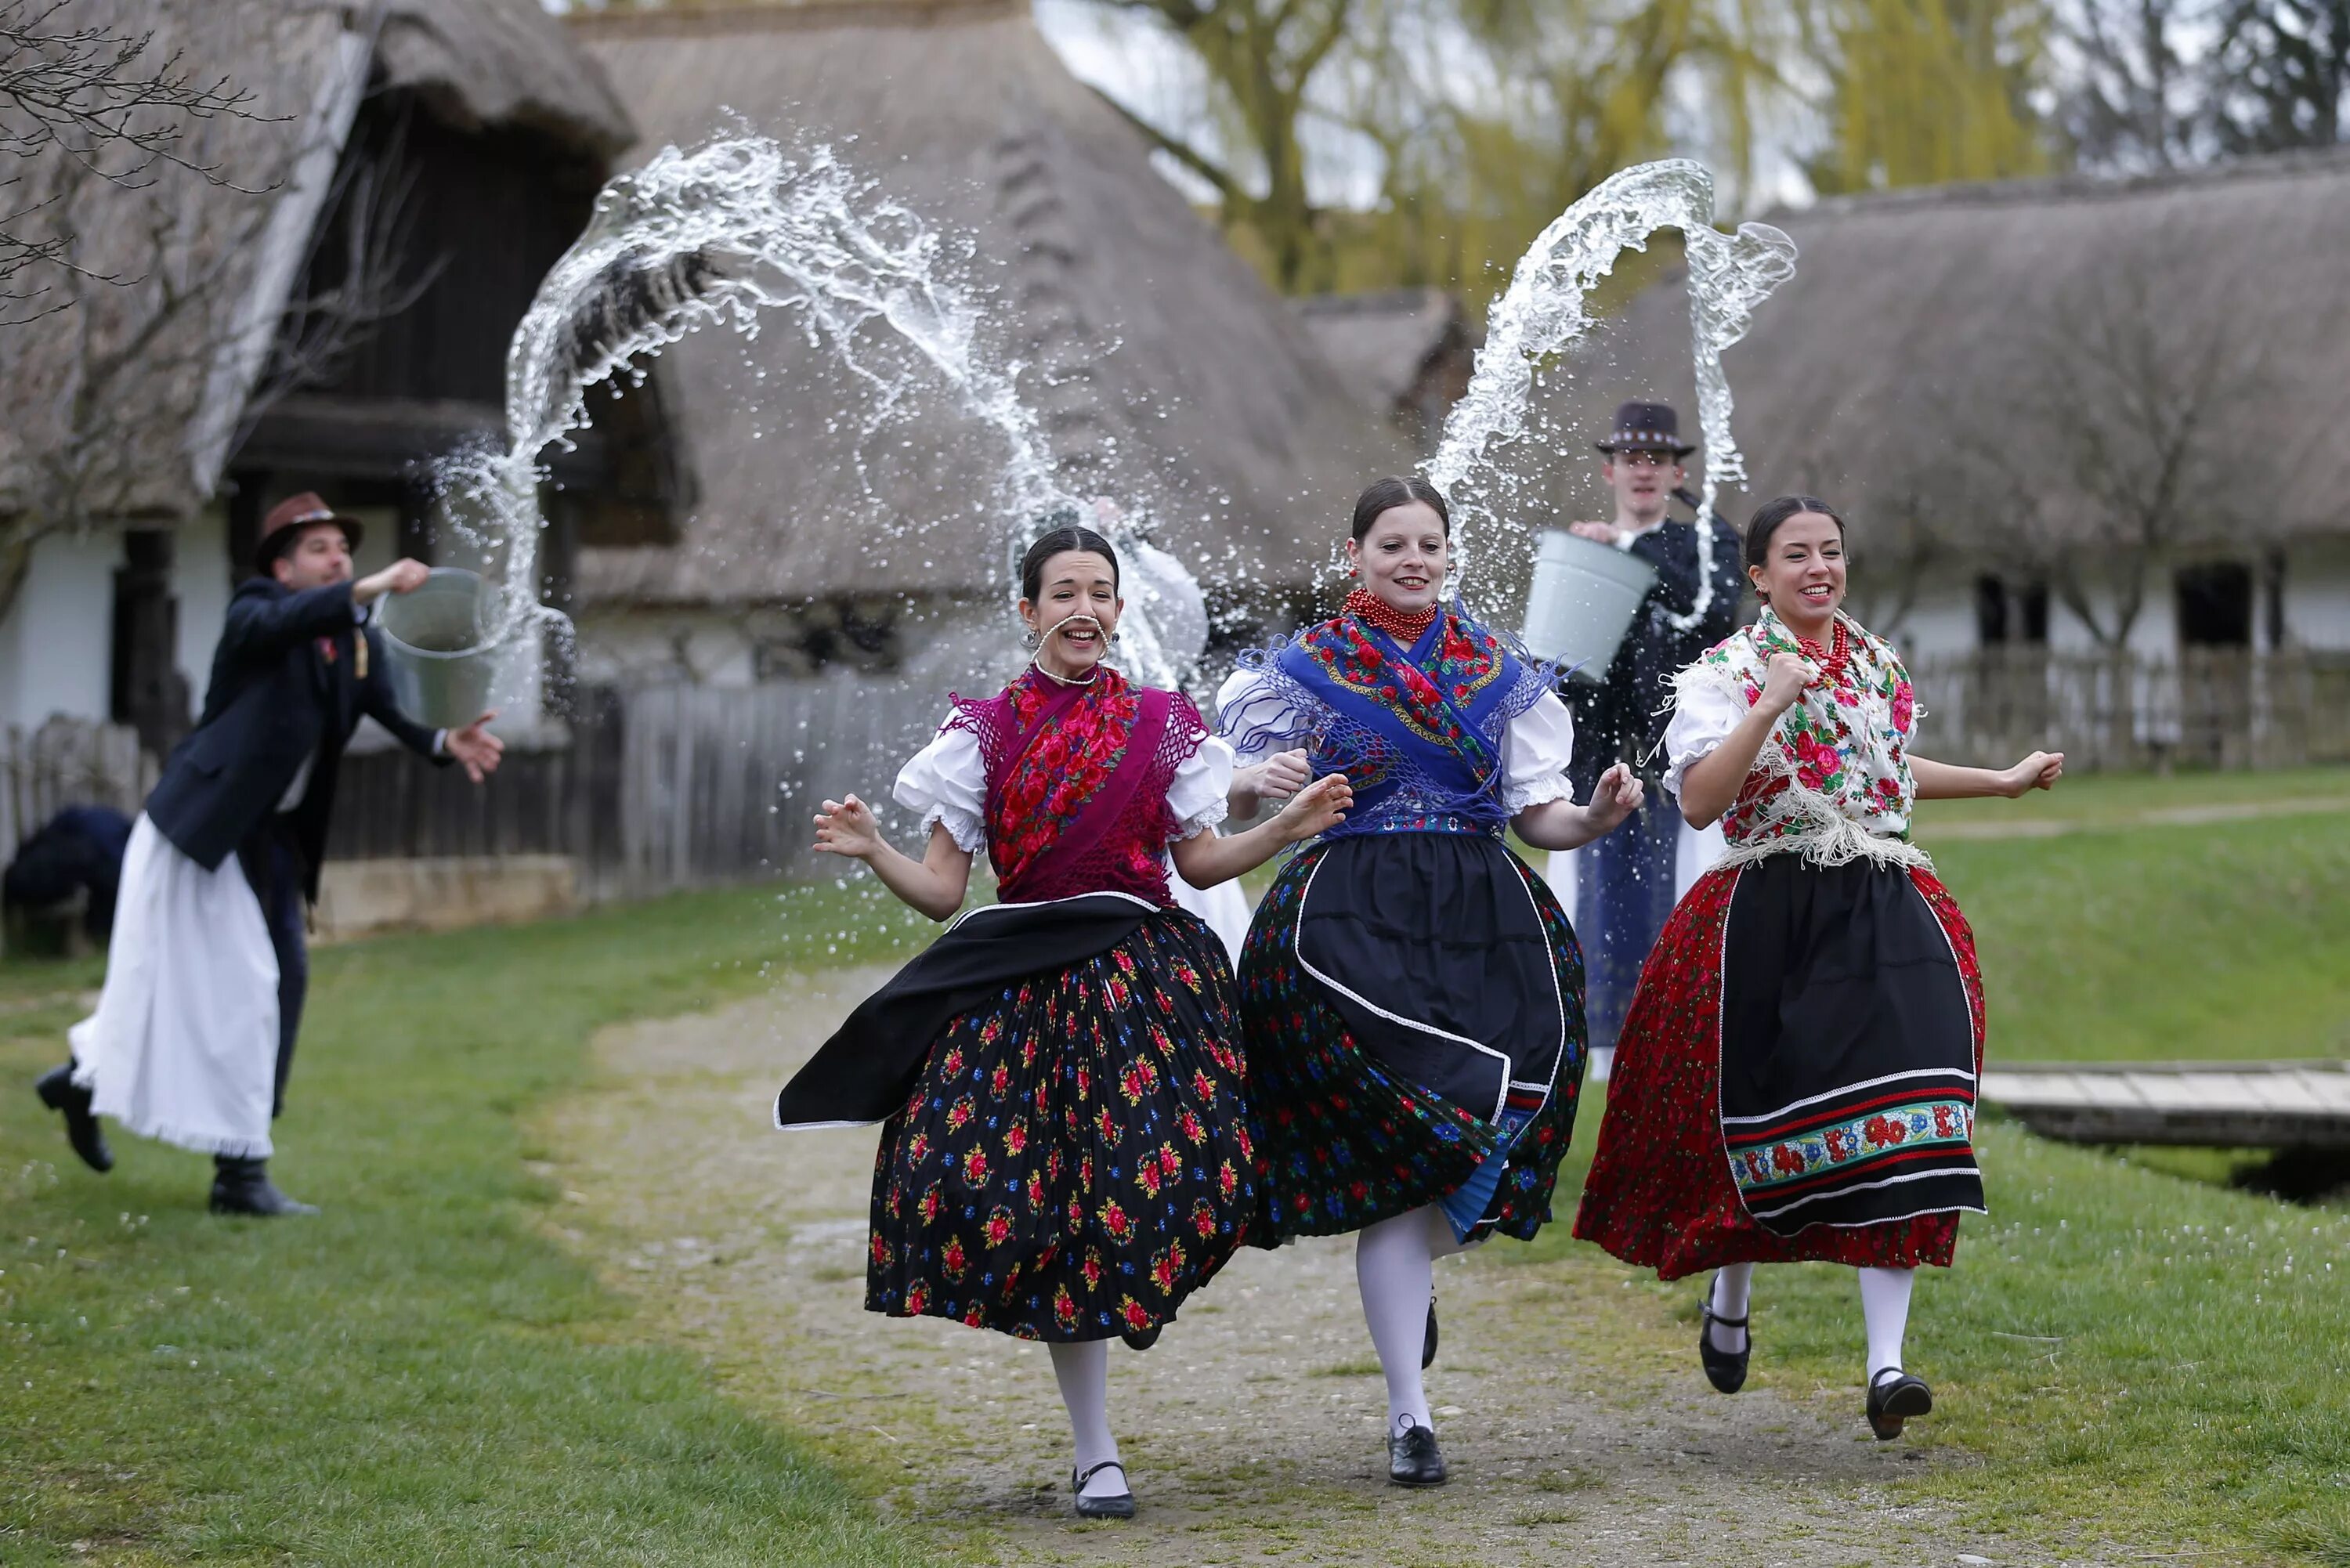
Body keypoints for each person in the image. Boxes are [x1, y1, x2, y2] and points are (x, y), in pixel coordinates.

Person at [779, 523, 1350, 1521]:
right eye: (1064, 592)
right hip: (1022, 996)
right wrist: (876, 849)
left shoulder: (1166, 725)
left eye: (1101, 591)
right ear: (1029, 609)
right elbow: (943, 893)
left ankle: (1133, 1306)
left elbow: (1201, 863)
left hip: (1143, 984)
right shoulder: (980, 735)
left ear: (1120, 610)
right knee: (1041, 1208)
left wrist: (1281, 830)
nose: (1084, 608)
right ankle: (1096, 1452)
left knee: (1183, 1175)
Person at [1572, 496, 2063, 1440]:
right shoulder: (1723, 673)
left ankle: (1888, 1366)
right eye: (1796, 555)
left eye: (1831, 551)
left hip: (1879, 898)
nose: (1818, 568)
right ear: (1758, 575)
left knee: (1917, 1109)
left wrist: (1997, 779)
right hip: (1767, 905)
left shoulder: (1878, 662)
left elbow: (1882, 767)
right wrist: (1766, 704)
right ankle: (1732, 1284)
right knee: (1760, 1121)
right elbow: (1705, 804)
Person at [1217, 476, 1644, 1489]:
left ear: (1450, 553)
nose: (1412, 558)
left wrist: (1594, 819)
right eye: (1392, 543)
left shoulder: (1500, 669)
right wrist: (1258, 782)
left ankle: (1410, 1275)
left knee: (1514, 1094)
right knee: (1420, 1140)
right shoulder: (1306, 667)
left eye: (1428, 543)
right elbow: (1219, 781)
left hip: (1478, 910)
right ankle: (1411, 1415)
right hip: (1352, 913)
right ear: (1355, 554)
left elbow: (1538, 814)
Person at [33, 493, 504, 1213]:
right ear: (282, 570)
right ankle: (229, 1173)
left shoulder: (354, 641)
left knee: (280, 982)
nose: (339, 557)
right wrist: (369, 587)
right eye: (317, 549)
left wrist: (446, 741)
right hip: (202, 834)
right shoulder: (254, 614)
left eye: (343, 548)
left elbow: (386, 708)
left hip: (271, 845)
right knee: (228, 987)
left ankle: (103, 1094)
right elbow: (283, 621)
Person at [1553, 401, 1744, 1082]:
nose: (1643, 471)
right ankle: (1602, 1050)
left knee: (1686, 896)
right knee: (1597, 904)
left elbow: (1714, 612)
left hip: (1685, 761)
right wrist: (1588, 566)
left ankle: (1687, 1042)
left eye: (1656, 460)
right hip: (1602, 758)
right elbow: (1564, 664)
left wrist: (1627, 554)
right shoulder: (1585, 551)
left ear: (1674, 471)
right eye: (1631, 459)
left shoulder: (1704, 549)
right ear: (1610, 469)